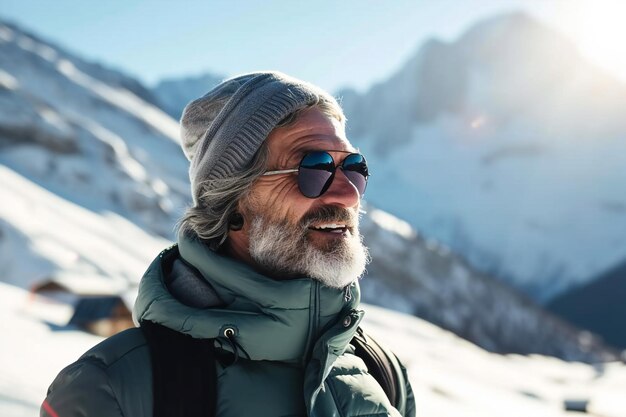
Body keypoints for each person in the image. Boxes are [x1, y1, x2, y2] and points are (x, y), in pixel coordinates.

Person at [41, 71, 415, 417]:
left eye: (354, 167)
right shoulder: (109, 390)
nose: (349, 194)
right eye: (314, 168)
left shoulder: (381, 368)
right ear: (233, 200)